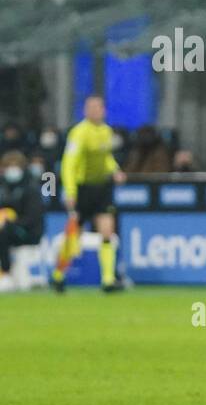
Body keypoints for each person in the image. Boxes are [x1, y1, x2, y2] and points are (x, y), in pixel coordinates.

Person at [52, 96, 126, 293]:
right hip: (82, 188)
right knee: (75, 233)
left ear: (104, 110)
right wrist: (70, 191)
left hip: (101, 188)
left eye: (97, 107)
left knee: (107, 230)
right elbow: (69, 164)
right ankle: (58, 275)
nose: (93, 111)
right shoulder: (79, 133)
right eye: (89, 107)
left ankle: (108, 280)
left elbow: (106, 157)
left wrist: (115, 170)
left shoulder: (106, 131)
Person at [0, 151, 43, 290]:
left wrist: (11, 223)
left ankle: (5, 273)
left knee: (4, 232)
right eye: (8, 166)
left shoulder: (31, 189)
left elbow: (33, 218)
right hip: (8, 228)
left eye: (15, 166)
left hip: (28, 232)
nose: (12, 170)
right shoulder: (3, 188)